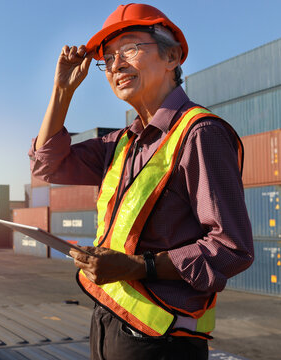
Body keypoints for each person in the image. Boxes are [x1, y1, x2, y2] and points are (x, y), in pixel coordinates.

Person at [28, 4, 254, 360]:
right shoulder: (120, 143)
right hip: (107, 323)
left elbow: (232, 248)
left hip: (164, 344)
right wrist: (62, 91)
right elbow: (47, 167)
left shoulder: (201, 134)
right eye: (108, 58)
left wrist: (139, 266)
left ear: (172, 56)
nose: (115, 64)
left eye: (129, 48)